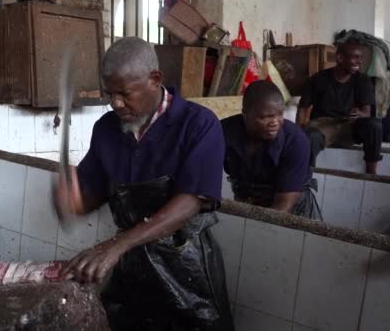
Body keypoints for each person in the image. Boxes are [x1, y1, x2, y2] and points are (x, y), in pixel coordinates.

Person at [53, 37, 234, 330]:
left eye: (125, 93)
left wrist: (117, 245)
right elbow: (92, 194)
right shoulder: (107, 129)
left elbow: (190, 201)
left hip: (186, 265)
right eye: (110, 93)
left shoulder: (198, 123)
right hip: (131, 266)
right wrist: (71, 200)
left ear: (155, 79)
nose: (116, 103)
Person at [221, 80, 322, 219]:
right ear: (245, 114)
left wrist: (251, 229)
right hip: (246, 199)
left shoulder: (295, 141)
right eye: (265, 117)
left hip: (292, 210)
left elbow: (284, 204)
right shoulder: (224, 132)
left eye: (279, 114)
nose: (275, 122)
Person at [297, 39, 383, 174]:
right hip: (323, 126)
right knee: (309, 137)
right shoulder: (318, 79)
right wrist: (299, 130)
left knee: (375, 125)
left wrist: (359, 114)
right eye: (355, 57)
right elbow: (303, 108)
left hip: (350, 126)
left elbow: (367, 112)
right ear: (340, 58)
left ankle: (371, 174)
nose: (359, 62)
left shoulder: (363, 80)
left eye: (361, 58)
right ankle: (305, 178)